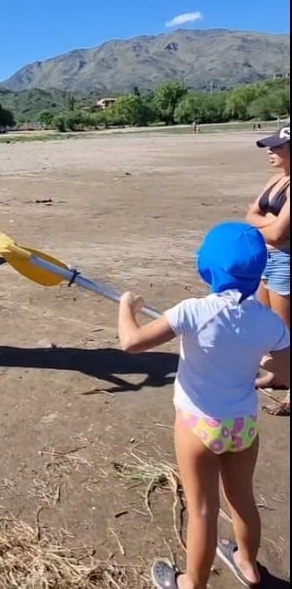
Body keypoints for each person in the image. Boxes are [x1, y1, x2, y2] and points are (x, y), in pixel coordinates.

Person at [116, 221, 290, 589]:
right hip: (243, 425)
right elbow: (284, 369)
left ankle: (191, 583)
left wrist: (126, 307)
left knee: (202, 510)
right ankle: (248, 565)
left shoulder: (192, 311)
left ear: (208, 266)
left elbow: (131, 343)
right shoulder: (268, 321)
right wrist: (259, 371)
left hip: (198, 425)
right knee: (242, 499)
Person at [245, 124, 290, 416]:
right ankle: (277, 375)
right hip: (267, 259)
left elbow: (277, 234)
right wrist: (268, 223)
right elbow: (250, 214)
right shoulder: (276, 180)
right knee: (266, 328)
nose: (271, 152)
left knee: (286, 331)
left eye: (277, 147)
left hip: (286, 261)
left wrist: (264, 224)